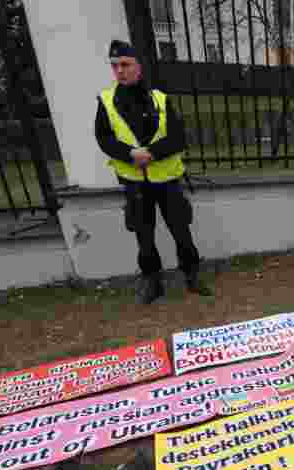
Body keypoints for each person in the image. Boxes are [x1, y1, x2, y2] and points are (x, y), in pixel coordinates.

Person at [95, 40, 212, 304]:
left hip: (167, 179)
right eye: (115, 66)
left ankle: (192, 276)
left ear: (138, 67)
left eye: (125, 65)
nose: (120, 71)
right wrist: (130, 154)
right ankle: (153, 283)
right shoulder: (107, 101)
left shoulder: (159, 98)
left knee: (181, 230)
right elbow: (103, 138)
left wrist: (152, 153)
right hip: (135, 182)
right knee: (143, 235)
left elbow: (178, 137)